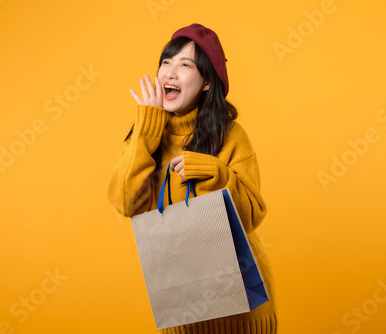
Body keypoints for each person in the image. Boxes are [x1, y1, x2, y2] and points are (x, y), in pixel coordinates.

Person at [107, 23, 277, 333]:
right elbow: (124, 201)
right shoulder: (145, 136)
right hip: (183, 310)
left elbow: (252, 215)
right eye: (166, 62)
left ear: (207, 82)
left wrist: (217, 174)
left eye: (185, 65)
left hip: (241, 313)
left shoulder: (232, 136)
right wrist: (147, 132)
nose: (169, 73)